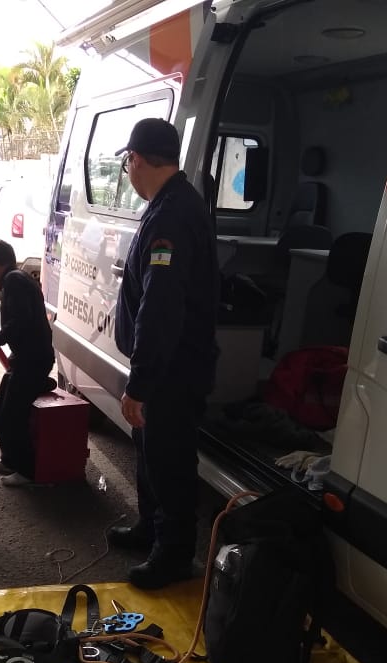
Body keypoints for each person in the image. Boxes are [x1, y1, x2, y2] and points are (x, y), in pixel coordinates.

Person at [106, 118, 219, 590]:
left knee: (170, 459)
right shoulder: (170, 204)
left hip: (173, 369)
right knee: (150, 451)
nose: (128, 170)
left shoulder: (172, 215)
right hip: (166, 365)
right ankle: (151, 529)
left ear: (136, 159)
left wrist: (141, 383)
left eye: (127, 162)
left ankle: (173, 554)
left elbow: (161, 307)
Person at [0, 239, 55, 487]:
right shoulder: (17, 279)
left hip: (32, 361)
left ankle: (28, 471)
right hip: (25, 359)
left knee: (12, 414)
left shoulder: (13, 282)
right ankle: (10, 460)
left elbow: (19, 323)